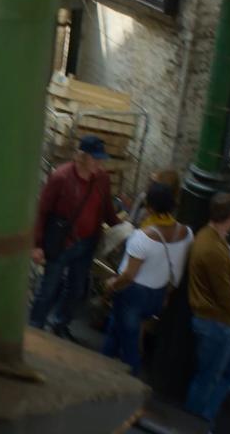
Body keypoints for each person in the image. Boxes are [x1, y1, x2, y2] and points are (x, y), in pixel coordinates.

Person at [29, 135, 120, 341]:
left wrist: (123, 229)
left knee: (77, 288)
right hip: (61, 243)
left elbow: (106, 209)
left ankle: (60, 323)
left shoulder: (102, 179)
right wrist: (37, 245)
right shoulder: (61, 177)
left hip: (87, 243)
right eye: (95, 158)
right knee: (49, 288)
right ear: (81, 156)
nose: (99, 163)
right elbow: (42, 211)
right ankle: (35, 326)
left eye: (101, 158)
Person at [101, 183, 193, 375]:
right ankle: (102, 364)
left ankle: (130, 382)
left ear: (149, 208)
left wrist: (111, 286)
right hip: (157, 295)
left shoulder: (142, 238)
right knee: (115, 330)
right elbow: (177, 269)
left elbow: (128, 275)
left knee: (130, 347)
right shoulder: (185, 233)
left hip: (133, 296)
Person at [185, 193, 230, 429]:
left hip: (216, 323)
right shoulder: (213, 249)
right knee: (207, 379)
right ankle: (194, 425)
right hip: (216, 324)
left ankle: (205, 418)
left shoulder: (209, 236)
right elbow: (225, 294)